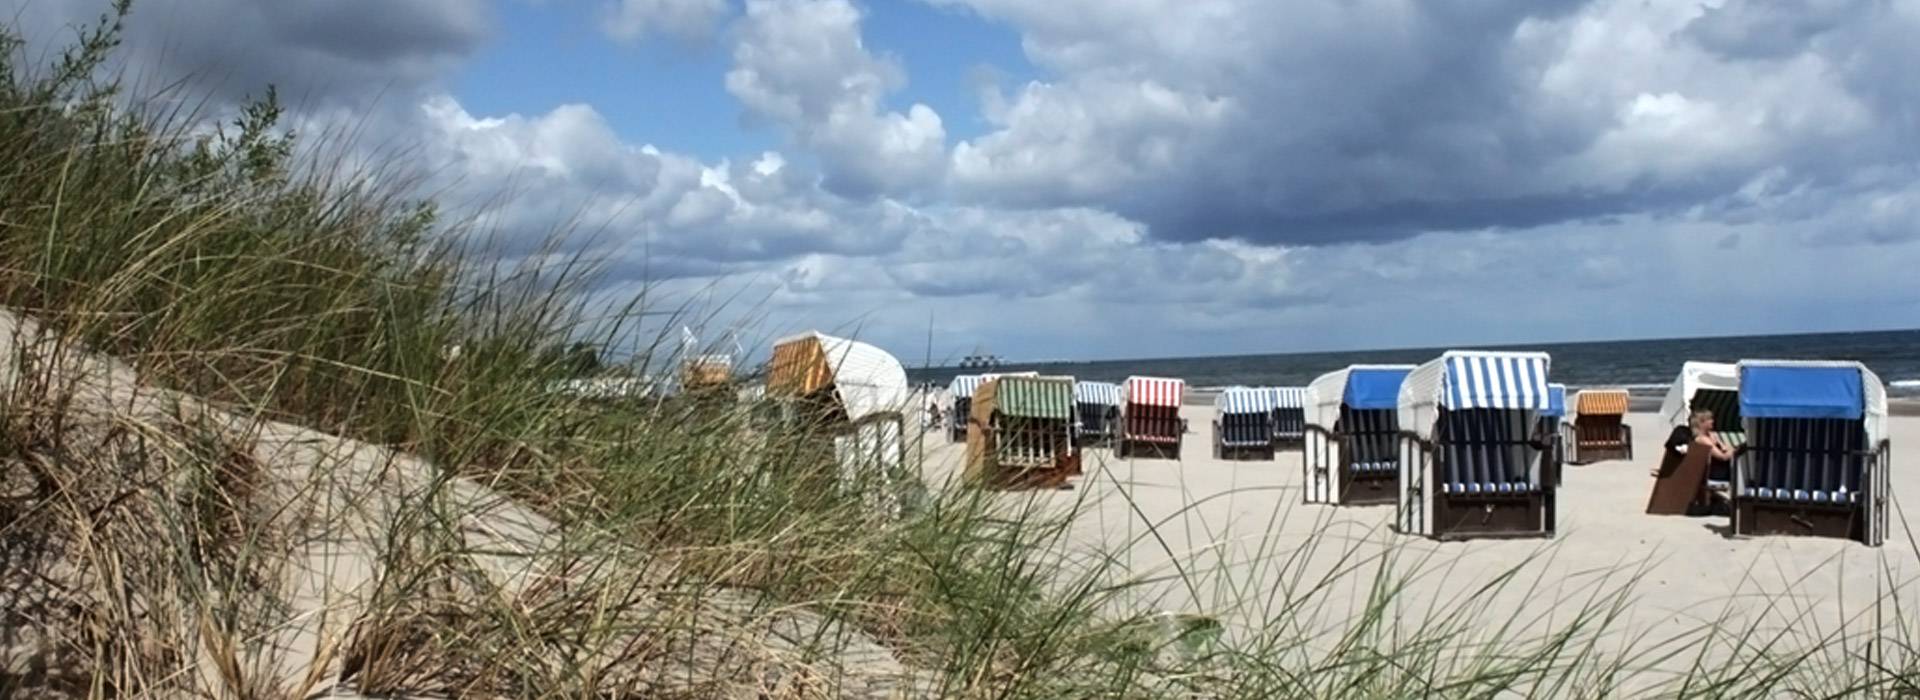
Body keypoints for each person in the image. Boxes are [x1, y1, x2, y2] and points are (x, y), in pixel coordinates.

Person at [1646, 409, 1735, 515]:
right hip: (1715, 473)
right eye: (1710, 419)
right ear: (1702, 423)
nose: (1713, 421)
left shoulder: (1711, 436)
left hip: (1718, 469)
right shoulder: (1702, 439)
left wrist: (1727, 448)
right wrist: (1737, 450)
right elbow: (1722, 456)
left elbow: (1725, 449)